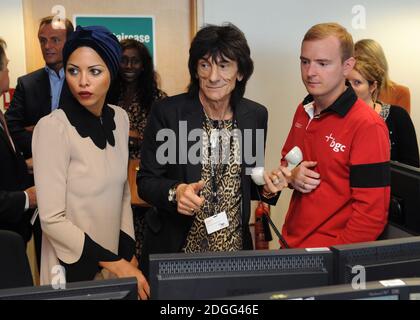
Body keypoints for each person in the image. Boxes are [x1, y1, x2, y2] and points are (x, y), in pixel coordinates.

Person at [137, 23, 290, 277]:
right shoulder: (168, 113)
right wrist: (176, 192)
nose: (213, 76)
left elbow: (246, 181)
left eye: (224, 65)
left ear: (240, 72)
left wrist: (265, 187)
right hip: (178, 253)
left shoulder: (254, 115)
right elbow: (146, 181)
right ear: (195, 70)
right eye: (205, 65)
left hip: (233, 254)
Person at [32, 26, 149, 299]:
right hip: (68, 267)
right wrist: (115, 263)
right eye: (73, 71)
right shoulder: (52, 128)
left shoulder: (120, 119)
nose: (83, 81)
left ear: (111, 72)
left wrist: (127, 255)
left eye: (94, 71)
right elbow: (51, 220)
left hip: (111, 264)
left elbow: (121, 194)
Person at [280, 23, 390, 248]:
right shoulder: (304, 110)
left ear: (347, 66)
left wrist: (335, 261)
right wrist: (291, 176)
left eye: (323, 63)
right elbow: (286, 163)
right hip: (291, 246)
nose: (310, 72)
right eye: (305, 61)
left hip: (328, 257)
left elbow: (371, 216)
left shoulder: (368, 126)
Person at [5, 16, 74, 267]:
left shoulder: (85, 80)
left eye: (55, 40)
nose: (48, 46)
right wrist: (48, 140)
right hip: (37, 190)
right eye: (43, 41)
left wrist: (44, 132)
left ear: (70, 42)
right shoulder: (27, 83)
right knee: (45, 261)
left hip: (78, 185)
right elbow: (12, 129)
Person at [107, 39, 166, 261]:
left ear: (144, 65)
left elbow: (164, 141)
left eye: (135, 61)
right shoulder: (106, 96)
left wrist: (135, 138)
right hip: (110, 177)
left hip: (142, 179)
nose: (129, 66)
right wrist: (127, 137)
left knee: (140, 245)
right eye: (124, 60)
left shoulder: (158, 99)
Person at [348, 52, 419, 167]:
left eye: (357, 83)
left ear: (373, 86)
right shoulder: (336, 114)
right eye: (346, 83)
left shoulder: (397, 116)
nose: (349, 88)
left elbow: (411, 168)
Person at [0, 38, 36, 244]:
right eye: (5, 65)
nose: (8, 71)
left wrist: (23, 166)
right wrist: (25, 199)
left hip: (14, 233)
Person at [354, 39, 411, 114]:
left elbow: (401, 124)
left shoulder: (400, 92)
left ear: (379, 61)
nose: (360, 65)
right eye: (357, 61)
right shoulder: (348, 91)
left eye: (366, 60)